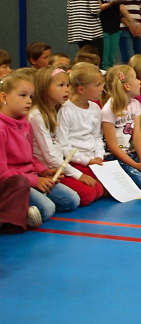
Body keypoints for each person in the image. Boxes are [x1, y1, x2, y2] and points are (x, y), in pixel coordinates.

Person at [0, 71, 80, 224]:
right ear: (4, 97)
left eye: (31, 96)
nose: (29, 101)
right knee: (47, 209)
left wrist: (43, 171)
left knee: (71, 200)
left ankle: (18, 210)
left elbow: (30, 157)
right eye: (23, 95)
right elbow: (2, 173)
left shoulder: (25, 124)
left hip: (30, 177)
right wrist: (35, 180)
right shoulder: (2, 128)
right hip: (12, 183)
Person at [30, 65, 104, 206]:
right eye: (61, 85)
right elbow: (50, 155)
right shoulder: (37, 116)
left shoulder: (55, 110)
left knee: (98, 190)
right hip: (48, 169)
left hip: (58, 166)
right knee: (85, 196)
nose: (67, 90)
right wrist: (79, 175)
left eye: (68, 85)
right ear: (45, 88)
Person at [100, 65, 141, 188]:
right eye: (135, 78)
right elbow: (112, 146)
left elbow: (137, 135)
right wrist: (135, 165)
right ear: (127, 86)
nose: (139, 82)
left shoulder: (135, 104)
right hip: (115, 157)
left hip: (132, 153)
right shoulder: (109, 110)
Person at [55, 63, 108, 192]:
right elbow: (64, 145)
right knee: (95, 191)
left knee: (114, 186)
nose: (102, 88)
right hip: (77, 161)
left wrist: (99, 156)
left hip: (95, 160)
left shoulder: (95, 108)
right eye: (97, 85)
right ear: (81, 89)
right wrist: (87, 161)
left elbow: (97, 136)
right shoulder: (65, 110)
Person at [94, 0, 133, 69]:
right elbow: (97, 7)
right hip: (101, 27)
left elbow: (120, 5)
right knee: (104, 59)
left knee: (111, 59)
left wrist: (131, 19)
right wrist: (109, 4)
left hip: (115, 26)